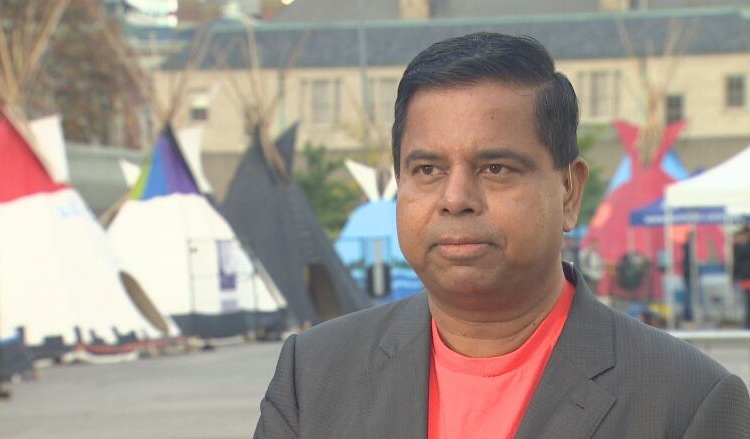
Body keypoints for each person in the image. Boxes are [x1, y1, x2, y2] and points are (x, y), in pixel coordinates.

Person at [254, 33, 749, 438]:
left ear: (570, 191)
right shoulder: (313, 375)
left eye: (495, 168)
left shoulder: (688, 402)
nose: (456, 198)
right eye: (427, 169)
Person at [733, 225, 750, 328]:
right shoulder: (740, 247)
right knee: (747, 302)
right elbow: (737, 263)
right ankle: (747, 323)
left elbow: (737, 263)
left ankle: (747, 323)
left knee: (747, 302)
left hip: (745, 277)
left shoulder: (741, 247)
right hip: (746, 278)